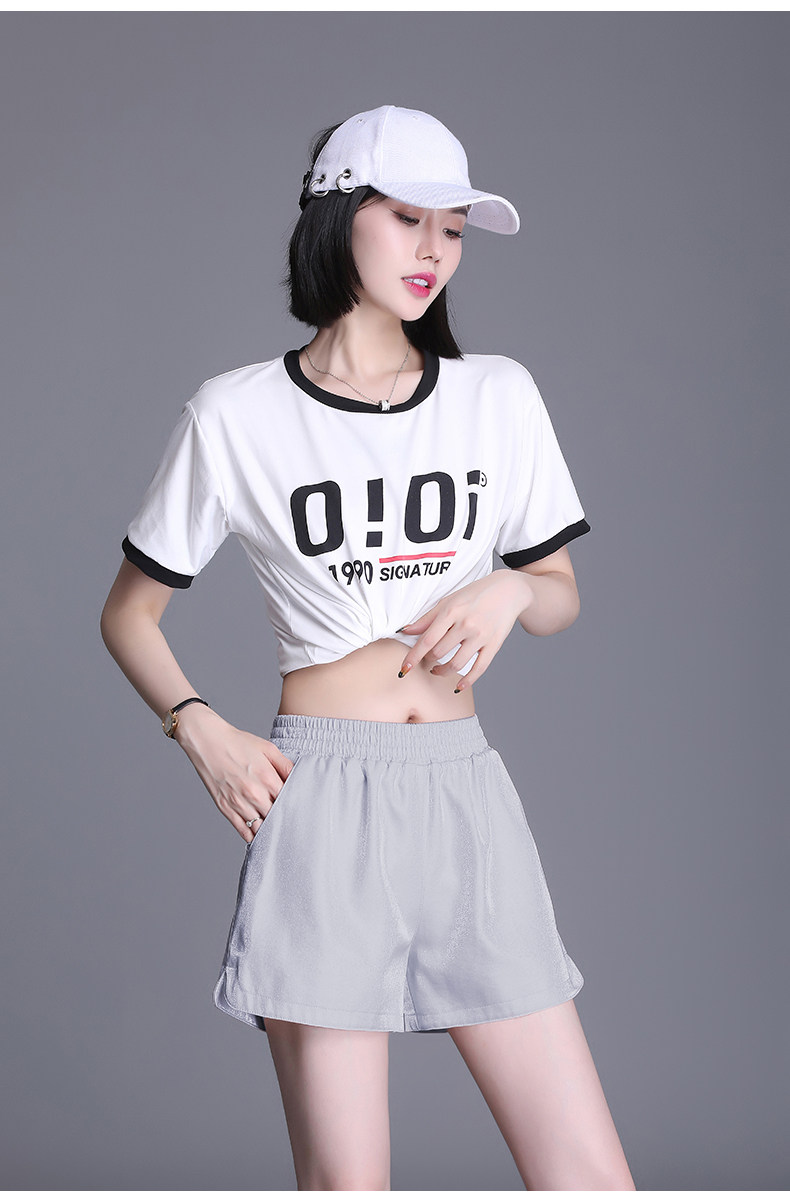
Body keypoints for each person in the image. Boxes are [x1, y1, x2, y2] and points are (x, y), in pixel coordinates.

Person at [101, 105, 635, 1191]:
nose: (435, 249)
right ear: (337, 217)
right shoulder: (236, 414)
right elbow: (128, 614)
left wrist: (509, 585)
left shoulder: (495, 395)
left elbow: (559, 597)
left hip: (464, 796)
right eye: (408, 219)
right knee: (347, 1182)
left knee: (586, 1175)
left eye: (454, 229)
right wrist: (200, 730)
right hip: (322, 803)